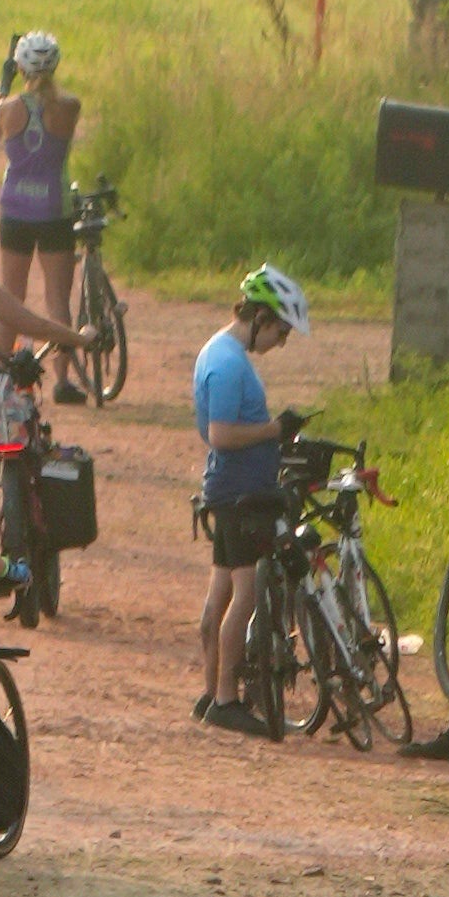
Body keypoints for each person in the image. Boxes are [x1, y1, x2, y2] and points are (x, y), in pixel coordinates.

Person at [189, 264, 302, 730]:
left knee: (219, 596)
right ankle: (225, 699)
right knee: (245, 594)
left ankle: (210, 687)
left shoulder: (221, 353)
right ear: (260, 318)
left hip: (228, 489)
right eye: (279, 330)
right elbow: (221, 434)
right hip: (239, 492)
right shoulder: (230, 363)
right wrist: (277, 429)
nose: (280, 342)